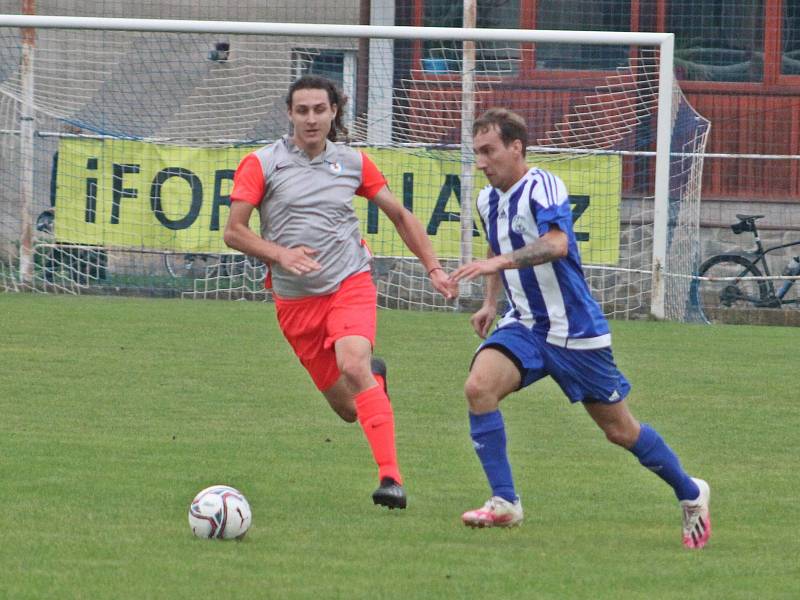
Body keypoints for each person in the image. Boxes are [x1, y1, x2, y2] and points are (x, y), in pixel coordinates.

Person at [449, 108, 711, 549]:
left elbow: (556, 244)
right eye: (476, 153)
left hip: (576, 332)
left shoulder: (542, 185)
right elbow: (498, 246)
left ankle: (691, 493)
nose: (481, 162)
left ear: (516, 148)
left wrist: (498, 262)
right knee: (478, 389)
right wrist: (491, 302)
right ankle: (505, 501)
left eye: (488, 151)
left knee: (620, 431)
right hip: (526, 326)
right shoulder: (485, 200)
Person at [223, 75, 456, 510]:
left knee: (353, 362)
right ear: (289, 114)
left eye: (319, 110)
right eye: (302, 110)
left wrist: (434, 268)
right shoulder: (262, 163)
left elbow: (400, 215)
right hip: (295, 302)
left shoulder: (353, 162)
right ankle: (375, 380)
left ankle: (391, 479)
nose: (311, 119)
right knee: (349, 409)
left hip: (350, 281)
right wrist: (280, 254)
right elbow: (234, 232)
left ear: (334, 112)